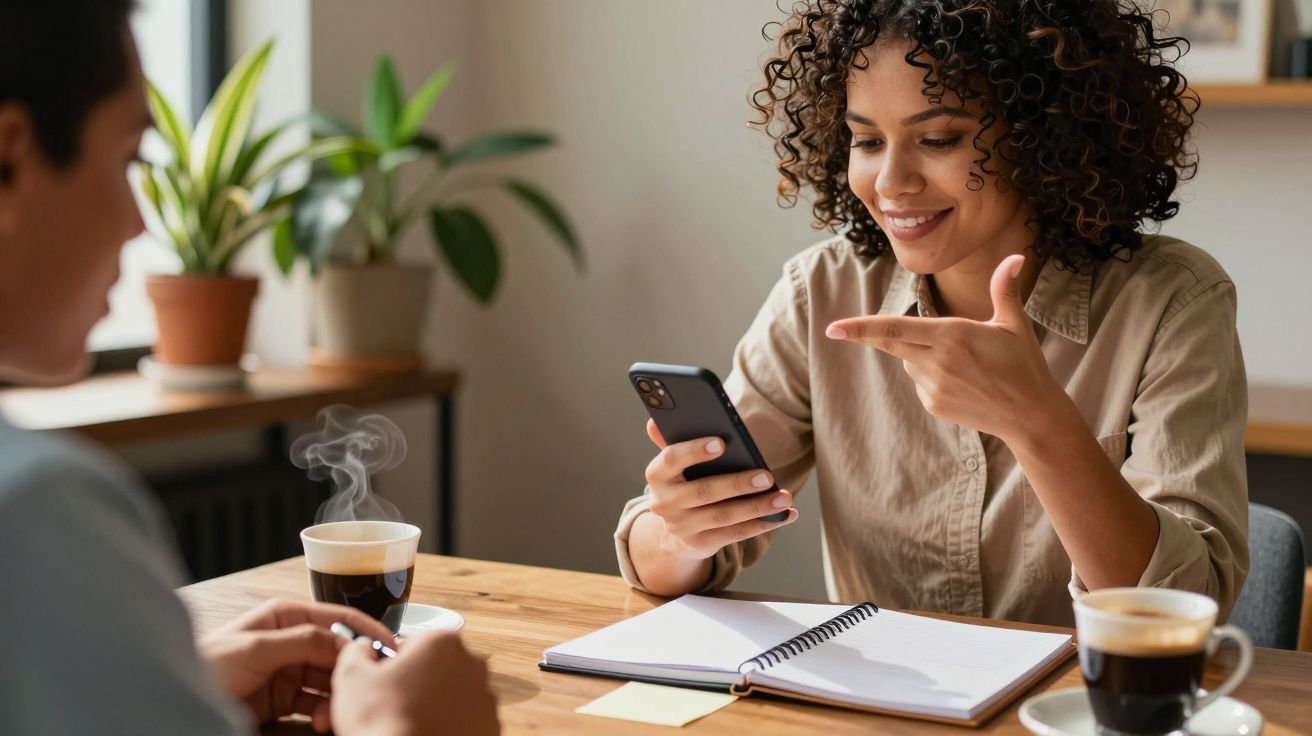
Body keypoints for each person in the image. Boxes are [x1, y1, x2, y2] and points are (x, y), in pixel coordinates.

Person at [616, 0, 1248, 627]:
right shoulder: (823, 292)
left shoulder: (1171, 300)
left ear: (1045, 135)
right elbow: (661, 559)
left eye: (938, 139)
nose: (890, 182)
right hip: (877, 691)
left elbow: (1186, 608)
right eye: (867, 141)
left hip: (1083, 691)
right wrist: (679, 532)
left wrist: (1039, 422)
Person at [0, 1, 499, 733]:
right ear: (10, 156)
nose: (140, 222)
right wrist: (404, 727)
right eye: (130, 158)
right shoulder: (36, 512)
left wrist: (171, 688)